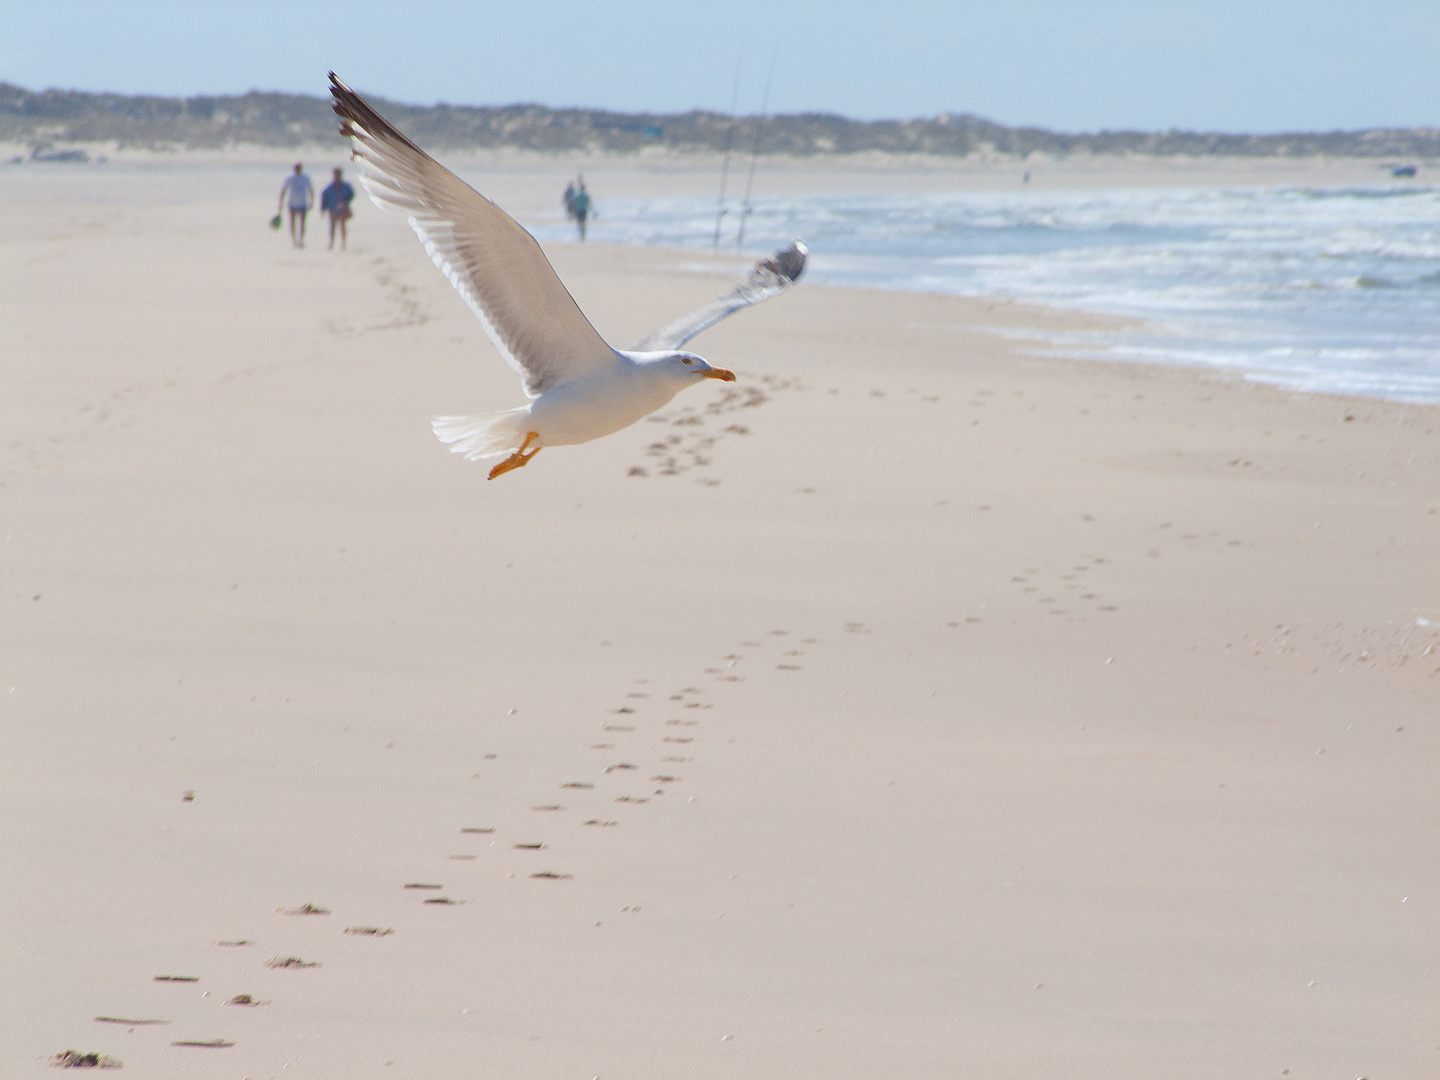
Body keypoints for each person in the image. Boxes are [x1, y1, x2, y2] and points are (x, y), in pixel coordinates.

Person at [278, 162, 314, 248]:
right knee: (292, 223)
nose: (297, 170)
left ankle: (301, 241)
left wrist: (312, 201)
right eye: (296, 168)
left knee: (302, 224)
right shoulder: (290, 178)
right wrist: (281, 203)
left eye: (299, 168)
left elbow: (310, 190)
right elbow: (283, 190)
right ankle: (294, 241)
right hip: (292, 204)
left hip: (303, 204)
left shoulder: (305, 178)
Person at [320, 167, 356, 250]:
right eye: (336, 174)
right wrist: (323, 209)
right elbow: (324, 198)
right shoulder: (329, 187)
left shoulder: (346, 186)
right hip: (332, 209)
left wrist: (346, 201)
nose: (337, 176)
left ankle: (343, 244)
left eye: (338, 174)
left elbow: (351, 194)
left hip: (342, 209)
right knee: (332, 227)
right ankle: (331, 243)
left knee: (342, 226)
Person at [572, 177, 591, 242]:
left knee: (579, 223)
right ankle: (583, 235)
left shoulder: (577, 195)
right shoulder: (586, 195)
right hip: (584, 210)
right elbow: (589, 203)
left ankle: (581, 235)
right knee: (583, 223)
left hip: (578, 210)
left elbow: (573, 203)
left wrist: (573, 210)